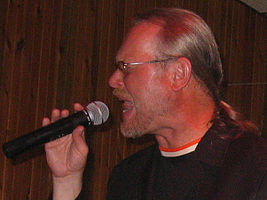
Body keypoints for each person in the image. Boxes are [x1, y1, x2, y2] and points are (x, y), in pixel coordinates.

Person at [44, 8, 266, 200]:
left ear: (178, 74)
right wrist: (66, 183)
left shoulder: (255, 166)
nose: (113, 80)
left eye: (125, 67)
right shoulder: (128, 177)